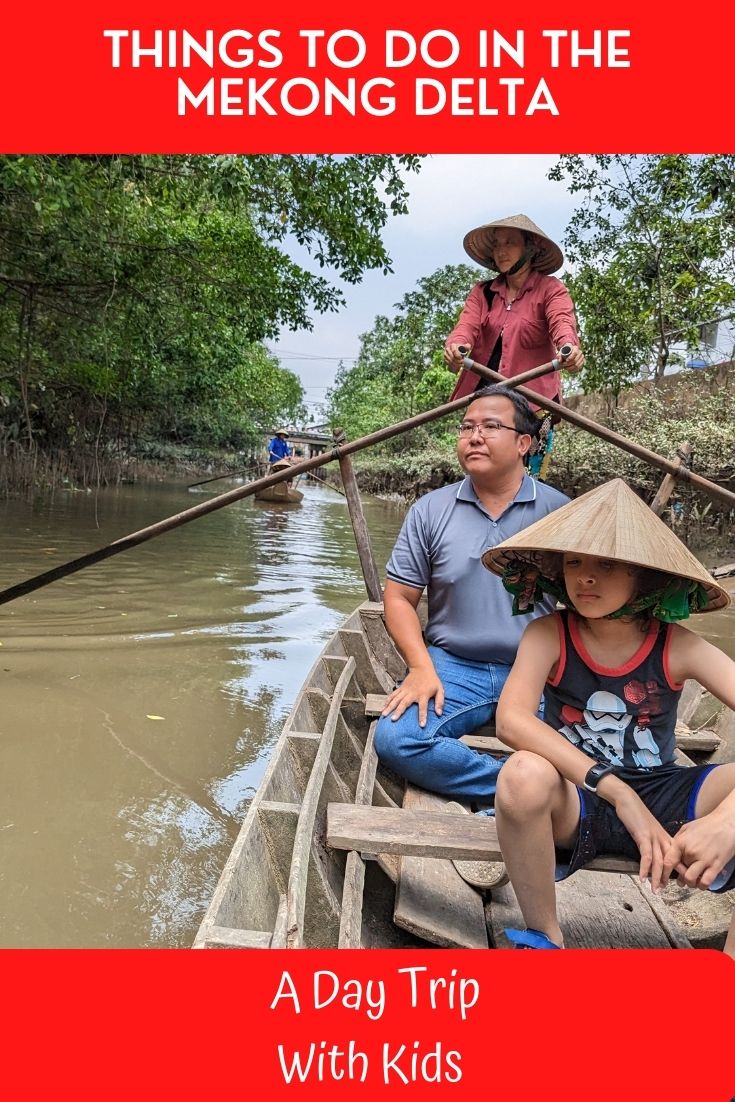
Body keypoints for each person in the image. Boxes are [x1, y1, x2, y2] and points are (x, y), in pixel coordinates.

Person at [482, 478, 735, 954]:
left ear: (644, 576)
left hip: (666, 790)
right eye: (575, 562)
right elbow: (512, 721)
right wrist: (616, 791)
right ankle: (544, 937)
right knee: (520, 775)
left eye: (608, 563)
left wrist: (728, 821)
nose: (586, 577)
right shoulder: (548, 634)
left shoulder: (677, 644)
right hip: (580, 795)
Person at [373, 384, 569, 836]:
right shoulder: (430, 509)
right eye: (466, 427)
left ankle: (536, 789)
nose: (474, 436)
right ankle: (513, 790)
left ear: (524, 443)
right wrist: (420, 668)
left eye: (490, 427)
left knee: (588, 749)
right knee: (397, 740)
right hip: (451, 666)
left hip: (538, 669)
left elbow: (587, 602)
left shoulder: (559, 512)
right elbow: (398, 598)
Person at [443, 214, 585, 480]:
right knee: (480, 473)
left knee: (527, 484)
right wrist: (456, 348)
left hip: (531, 407)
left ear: (530, 248)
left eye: (510, 243)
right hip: (487, 400)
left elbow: (562, 324)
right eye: (496, 244)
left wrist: (569, 349)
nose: (501, 251)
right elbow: (465, 327)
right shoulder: (482, 293)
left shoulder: (550, 290)